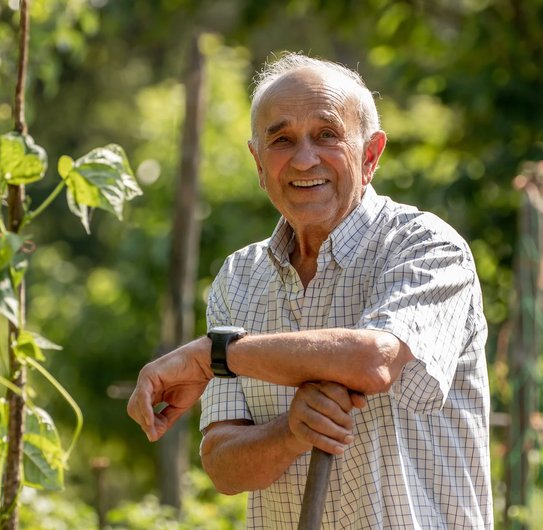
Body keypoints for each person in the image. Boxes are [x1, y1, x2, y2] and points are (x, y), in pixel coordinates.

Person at [128, 52, 492, 529]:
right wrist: (291, 431)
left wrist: (211, 355)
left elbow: (374, 359)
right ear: (259, 163)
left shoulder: (424, 245)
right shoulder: (239, 278)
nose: (303, 159)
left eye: (327, 135)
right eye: (281, 140)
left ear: (370, 154)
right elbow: (222, 465)